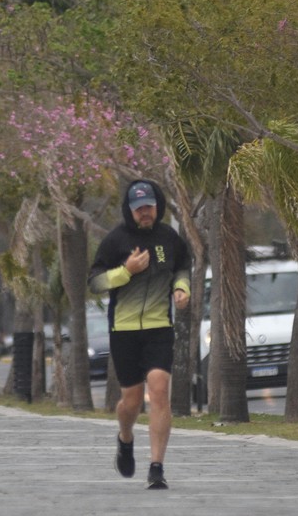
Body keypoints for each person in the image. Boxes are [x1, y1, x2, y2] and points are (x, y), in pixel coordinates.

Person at [88, 179, 192, 490]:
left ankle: (156, 467)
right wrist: (126, 271)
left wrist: (181, 288)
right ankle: (125, 437)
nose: (145, 213)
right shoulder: (115, 241)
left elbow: (183, 267)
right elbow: (94, 282)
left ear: (157, 206)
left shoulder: (169, 238)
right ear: (130, 210)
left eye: (149, 207)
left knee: (159, 390)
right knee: (131, 402)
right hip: (124, 331)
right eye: (138, 209)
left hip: (159, 327)